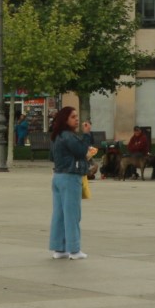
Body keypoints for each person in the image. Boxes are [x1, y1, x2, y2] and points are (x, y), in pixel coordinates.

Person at [47, 106, 97, 259]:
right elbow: (82, 150)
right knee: (72, 214)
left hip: (58, 176)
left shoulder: (57, 136)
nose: (77, 119)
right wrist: (87, 135)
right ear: (65, 120)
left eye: (76, 116)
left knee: (59, 214)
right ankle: (74, 250)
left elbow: (51, 156)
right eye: (73, 117)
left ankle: (59, 248)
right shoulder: (68, 136)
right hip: (70, 177)